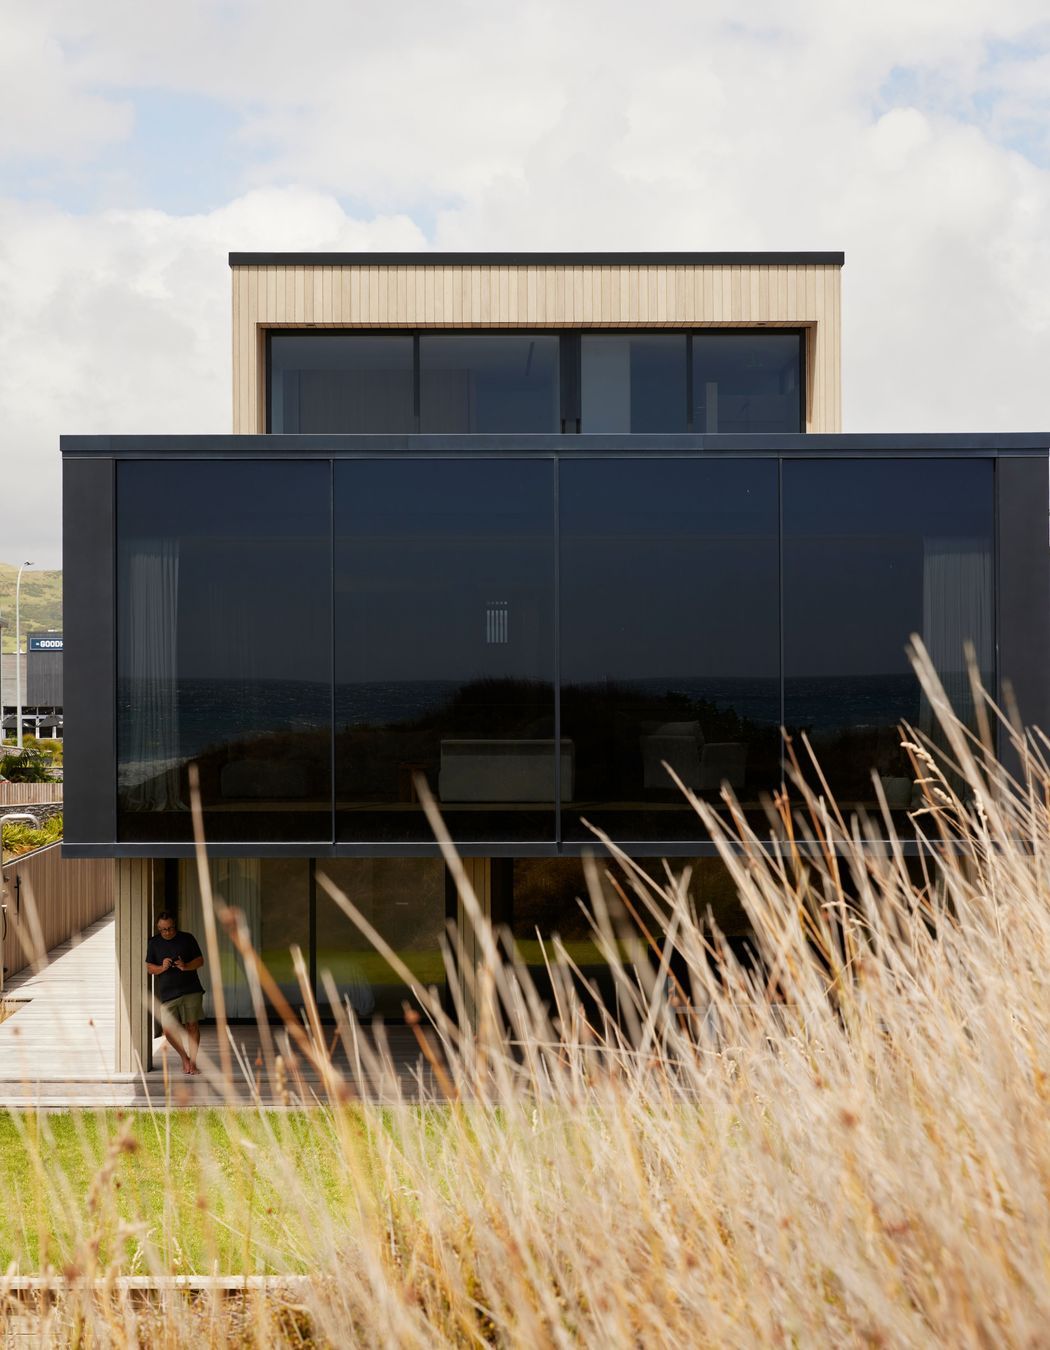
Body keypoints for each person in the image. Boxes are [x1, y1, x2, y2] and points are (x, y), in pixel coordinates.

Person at [145, 911, 205, 1075]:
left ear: (175, 925)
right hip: (168, 993)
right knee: (169, 1030)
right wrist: (162, 967)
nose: (168, 932)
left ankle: (192, 1062)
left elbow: (200, 961)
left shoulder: (187, 938)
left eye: (171, 928)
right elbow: (149, 968)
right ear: (158, 928)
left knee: (192, 1026)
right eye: (164, 929)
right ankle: (184, 1058)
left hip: (191, 989)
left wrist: (185, 965)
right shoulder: (154, 943)